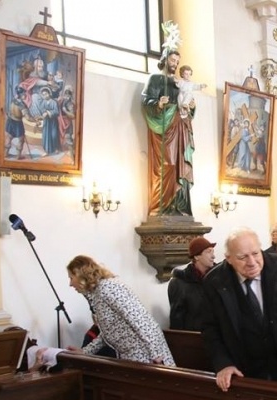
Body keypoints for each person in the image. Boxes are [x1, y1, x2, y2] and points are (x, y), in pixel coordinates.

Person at [200, 228, 277, 391]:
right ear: (228, 258)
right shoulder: (215, 281)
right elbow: (210, 329)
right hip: (243, 370)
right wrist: (223, 364)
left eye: (256, 254)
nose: (252, 262)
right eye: (242, 257)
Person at [66, 255, 175, 366]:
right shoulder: (97, 294)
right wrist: (85, 352)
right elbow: (107, 333)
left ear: (80, 275)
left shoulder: (108, 288)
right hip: (132, 356)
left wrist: (156, 355)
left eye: (71, 278)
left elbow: (140, 319)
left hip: (146, 354)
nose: (70, 284)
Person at [141, 48, 195, 216]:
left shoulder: (180, 83)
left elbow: (186, 103)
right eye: (172, 61)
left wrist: (192, 107)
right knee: (169, 164)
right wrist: (158, 103)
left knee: (181, 164)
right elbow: (145, 100)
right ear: (165, 60)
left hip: (181, 127)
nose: (175, 64)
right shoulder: (156, 79)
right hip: (165, 128)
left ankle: (181, 206)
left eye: (177, 62)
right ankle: (164, 207)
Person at [168, 236, 216, 331]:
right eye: (208, 252)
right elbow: (177, 320)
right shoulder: (179, 283)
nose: (213, 256)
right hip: (194, 338)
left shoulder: (218, 277)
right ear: (196, 256)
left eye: (213, 252)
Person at [4, 86, 31, 159]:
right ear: (21, 94)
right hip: (17, 123)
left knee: (9, 137)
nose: (25, 95)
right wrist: (35, 121)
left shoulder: (13, 100)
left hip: (10, 121)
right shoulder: (22, 105)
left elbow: (7, 111)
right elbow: (27, 117)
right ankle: (18, 156)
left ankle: (5, 154)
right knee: (21, 139)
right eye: (24, 94)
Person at [38, 87, 60, 155]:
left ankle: (56, 148)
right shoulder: (43, 102)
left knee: (54, 135)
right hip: (46, 121)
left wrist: (48, 112)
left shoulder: (53, 102)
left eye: (46, 94)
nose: (45, 95)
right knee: (46, 135)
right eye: (43, 94)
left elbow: (56, 112)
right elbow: (41, 109)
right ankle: (46, 150)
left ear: (49, 94)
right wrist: (44, 112)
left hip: (53, 121)